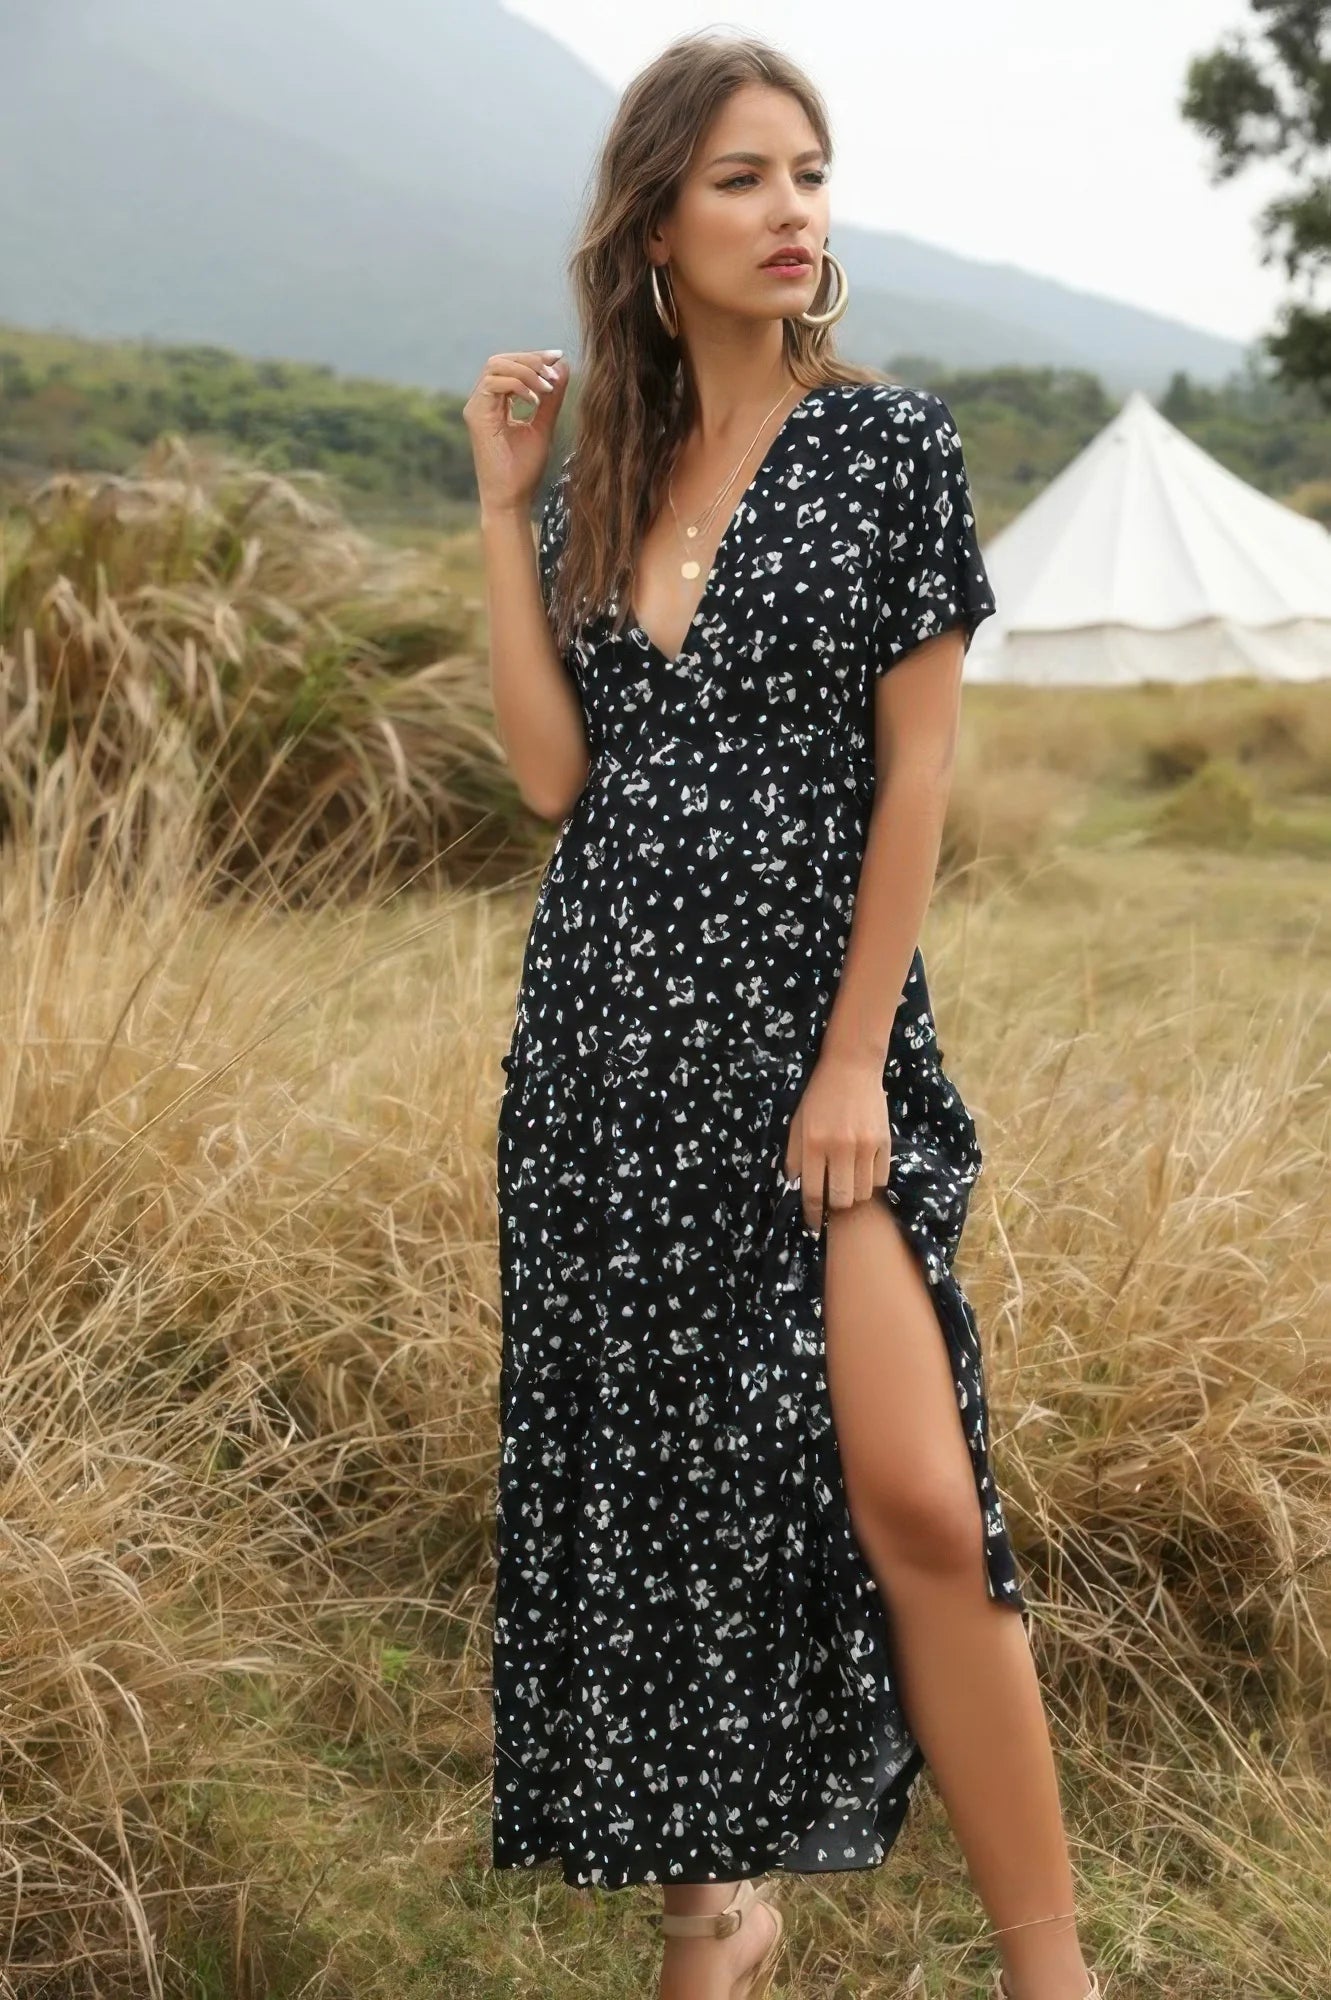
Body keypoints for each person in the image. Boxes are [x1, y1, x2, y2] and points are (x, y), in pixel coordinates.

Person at [467, 30, 1105, 2000]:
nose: (790, 208)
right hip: (606, 1056)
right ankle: (710, 1912)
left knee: (916, 1492)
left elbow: (915, 779)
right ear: (653, 221)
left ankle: (1053, 1975)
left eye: (809, 173)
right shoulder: (611, 474)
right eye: (742, 176)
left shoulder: (883, 448)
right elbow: (560, 781)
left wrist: (848, 1065)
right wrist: (503, 510)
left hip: (814, 1057)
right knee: (665, 1488)